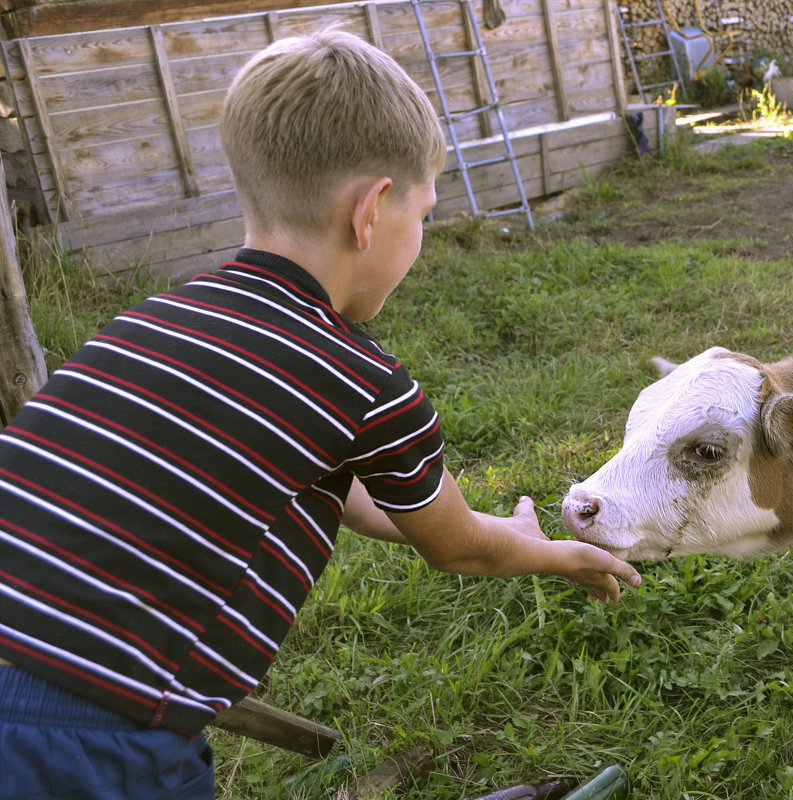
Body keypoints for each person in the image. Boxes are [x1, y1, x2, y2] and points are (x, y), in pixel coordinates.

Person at [0, 28, 640, 800]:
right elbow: (461, 551)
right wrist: (552, 553)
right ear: (371, 211)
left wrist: (471, 523)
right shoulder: (363, 381)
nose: (422, 236)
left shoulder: (156, 321)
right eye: (424, 212)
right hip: (88, 741)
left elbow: (311, 475)